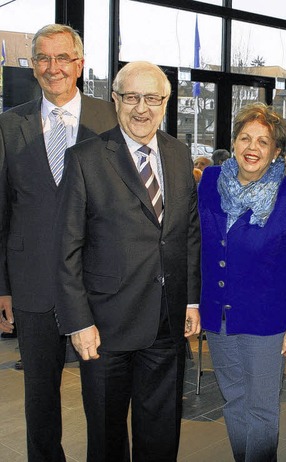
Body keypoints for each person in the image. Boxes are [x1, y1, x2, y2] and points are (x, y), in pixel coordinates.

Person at [54, 61, 201, 461]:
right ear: (115, 99)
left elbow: (187, 233)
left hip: (165, 324)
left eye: (152, 98)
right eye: (132, 97)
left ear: (166, 103)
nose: (142, 108)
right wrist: (79, 321)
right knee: (106, 437)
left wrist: (190, 300)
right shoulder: (85, 158)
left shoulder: (178, 152)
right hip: (105, 329)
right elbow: (67, 248)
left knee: (161, 432)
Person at [0, 23, 117, 461]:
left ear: (80, 63)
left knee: (103, 395)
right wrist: (3, 286)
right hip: (32, 286)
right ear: (33, 66)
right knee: (40, 399)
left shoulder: (110, 120)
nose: (54, 68)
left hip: (100, 285)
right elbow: (1, 213)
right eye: (44, 59)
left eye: (63, 58)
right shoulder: (9, 126)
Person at [198, 102, 286, 461]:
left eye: (263, 141)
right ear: (233, 142)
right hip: (218, 317)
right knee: (233, 399)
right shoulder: (211, 182)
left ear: (277, 152)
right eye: (245, 138)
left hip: (267, 321)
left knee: (261, 408)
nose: (252, 147)